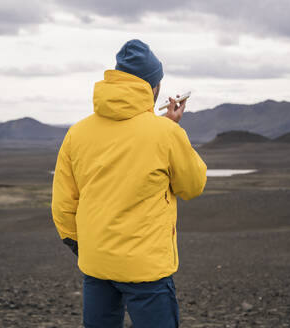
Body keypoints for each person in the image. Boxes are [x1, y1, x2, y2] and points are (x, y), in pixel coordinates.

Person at [51, 39, 207, 328]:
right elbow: (192, 186)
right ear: (153, 86)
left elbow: (63, 203)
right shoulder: (165, 134)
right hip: (146, 270)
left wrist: (82, 246)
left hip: (96, 264)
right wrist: (172, 128)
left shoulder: (77, 133)